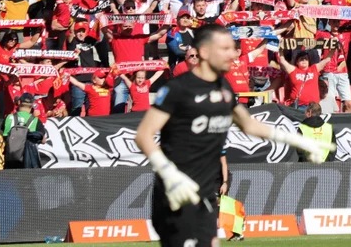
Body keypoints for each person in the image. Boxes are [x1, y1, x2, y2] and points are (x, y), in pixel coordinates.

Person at [134, 25, 331, 247]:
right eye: (225, 48)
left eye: (233, 48)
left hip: (206, 192)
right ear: (206, 52)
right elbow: (143, 136)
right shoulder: (177, 90)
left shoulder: (223, 89)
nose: (233, 53)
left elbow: (249, 125)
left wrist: (299, 140)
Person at [2, 92, 46, 169]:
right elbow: (43, 140)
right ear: (32, 105)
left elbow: (4, 135)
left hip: (10, 159)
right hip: (27, 161)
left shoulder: (9, 117)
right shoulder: (35, 120)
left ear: (19, 102)